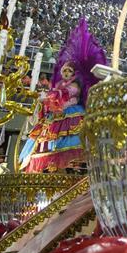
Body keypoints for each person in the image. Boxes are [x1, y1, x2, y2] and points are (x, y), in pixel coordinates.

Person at [18, 19, 105, 173]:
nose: (65, 73)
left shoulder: (75, 85)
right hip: (56, 115)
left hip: (71, 112)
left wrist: (53, 98)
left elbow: (67, 95)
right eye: (64, 71)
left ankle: (74, 170)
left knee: (71, 143)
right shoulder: (59, 85)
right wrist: (46, 100)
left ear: (74, 73)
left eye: (69, 71)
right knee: (47, 145)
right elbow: (55, 96)